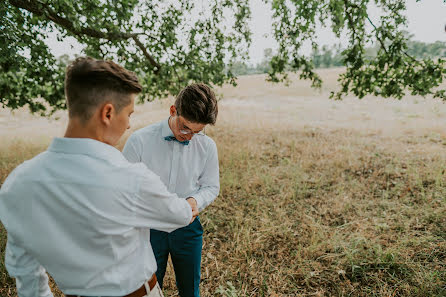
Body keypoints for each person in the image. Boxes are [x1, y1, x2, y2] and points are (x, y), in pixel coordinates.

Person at [0, 57, 198, 297]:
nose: (127, 125)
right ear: (107, 113)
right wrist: (189, 205)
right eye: (128, 114)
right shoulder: (131, 178)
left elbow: (25, 271)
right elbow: (177, 214)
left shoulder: (17, 184)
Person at [122, 83, 220, 297]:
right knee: (146, 291)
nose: (189, 137)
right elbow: (124, 189)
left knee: (190, 290)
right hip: (149, 230)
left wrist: (196, 201)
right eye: (185, 128)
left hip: (187, 228)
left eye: (198, 131)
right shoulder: (139, 141)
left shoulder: (207, 146)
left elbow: (211, 186)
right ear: (173, 110)